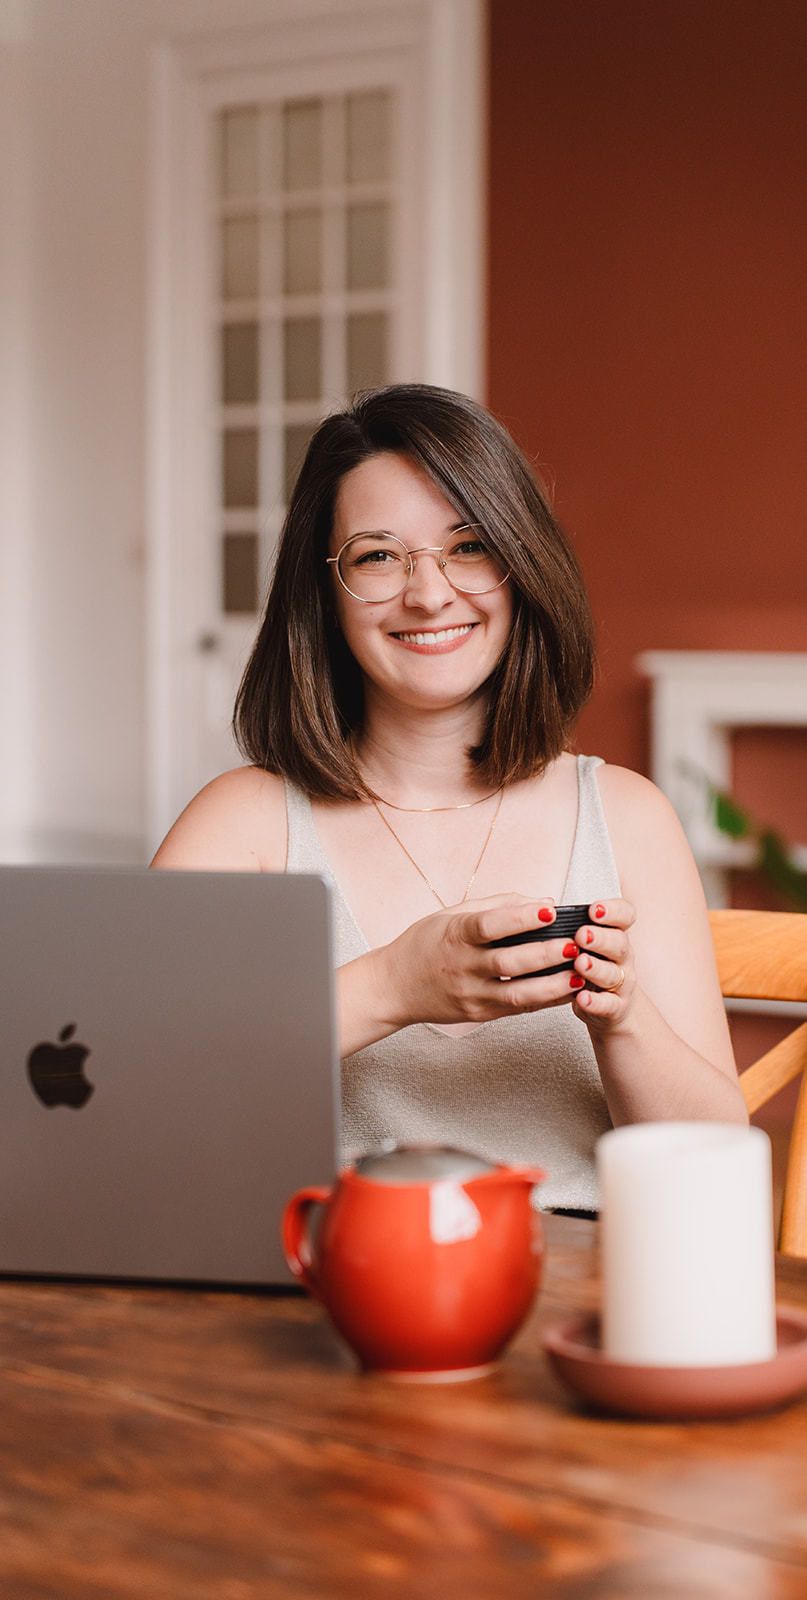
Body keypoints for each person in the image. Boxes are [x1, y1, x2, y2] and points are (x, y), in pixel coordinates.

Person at [152, 384, 746, 1210]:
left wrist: (626, 1021)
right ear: (322, 595)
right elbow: (135, 1096)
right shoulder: (242, 823)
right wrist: (393, 987)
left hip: (582, 1282)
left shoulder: (628, 816)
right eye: (376, 556)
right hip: (322, 1274)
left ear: (521, 568)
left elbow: (717, 1169)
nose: (428, 594)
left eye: (469, 546)